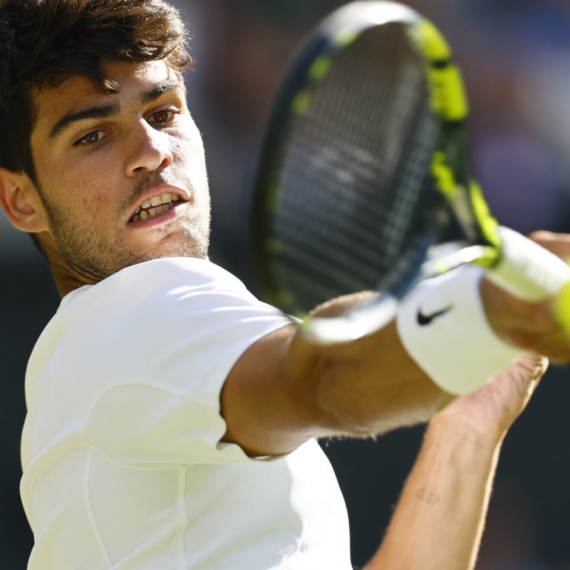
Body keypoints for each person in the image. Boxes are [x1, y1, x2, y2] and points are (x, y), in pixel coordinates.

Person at [0, 0, 568, 568]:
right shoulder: (131, 317)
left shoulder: (105, 371)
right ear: (21, 200)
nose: (152, 152)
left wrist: (467, 425)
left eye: (165, 112)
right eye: (93, 136)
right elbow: (322, 373)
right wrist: (484, 311)